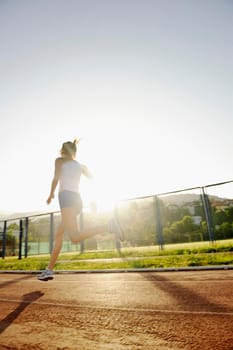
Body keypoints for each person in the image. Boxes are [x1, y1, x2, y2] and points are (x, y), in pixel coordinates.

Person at [37, 139, 123, 281]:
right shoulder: (81, 166)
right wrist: (95, 199)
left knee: (74, 237)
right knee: (58, 234)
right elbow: (95, 182)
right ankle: (49, 270)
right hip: (77, 200)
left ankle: (108, 226)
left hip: (67, 199)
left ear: (63, 151)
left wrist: (50, 193)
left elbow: (55, 178)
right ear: (75, 153)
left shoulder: (59, 161)